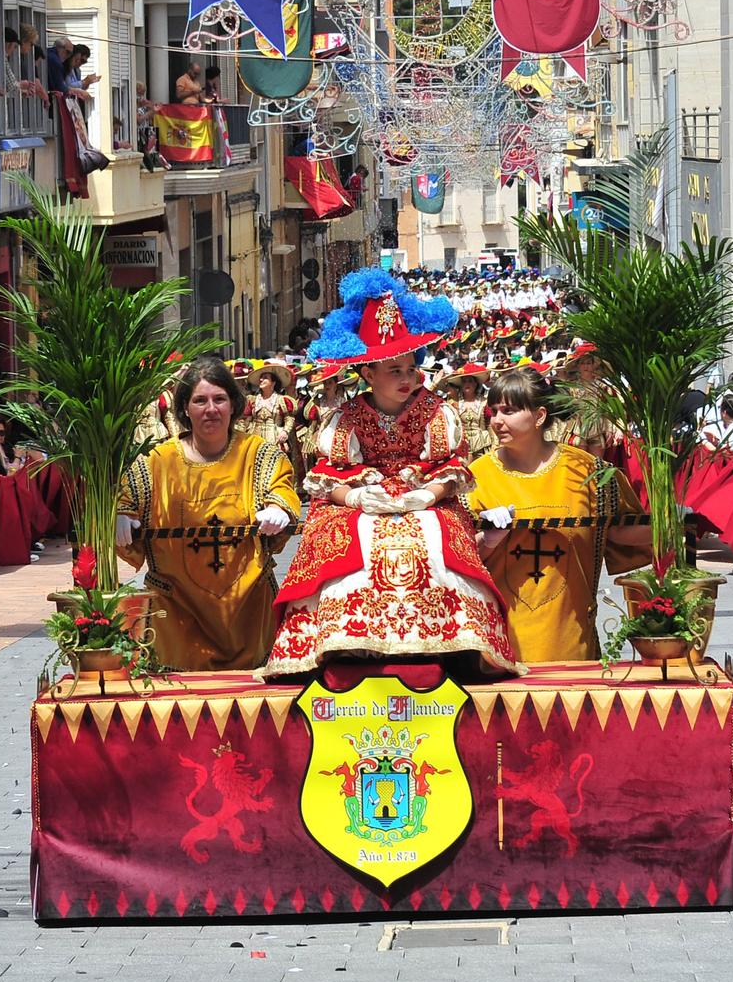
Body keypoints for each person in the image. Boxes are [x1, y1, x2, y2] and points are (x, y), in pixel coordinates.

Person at [259, 269, 520, 679]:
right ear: (368, 375)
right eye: (393, 370)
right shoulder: (346, 417)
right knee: (349, 539)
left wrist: (430, 495)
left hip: (424, 496)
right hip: (360, 498)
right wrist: (356, 498)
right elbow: (328, 476)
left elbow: (451, 465)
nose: (406, 378)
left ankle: (452, 644)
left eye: (410, 368)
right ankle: (342, 647)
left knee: (435, 537)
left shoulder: (436, 410)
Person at [116, 358, 299, 670]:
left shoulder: (259, 453)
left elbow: (280, 486)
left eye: (219, 399)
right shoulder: (157, 462)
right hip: (175, 620)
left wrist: (278, 508)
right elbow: (128, 496)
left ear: (234, 405)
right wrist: (122, 515)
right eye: (200, 400)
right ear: (185, 408)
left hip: (250, 618)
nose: (210, 409)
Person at [463, 368, 649, 662]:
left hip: (570, 639)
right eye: (494, 411)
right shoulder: (472, 478)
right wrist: (488, 539)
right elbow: (459, 560)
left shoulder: (587, 470)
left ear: (539, 416)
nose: (497, 421)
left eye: (509, 411)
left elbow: (617, 532)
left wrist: (673, 526)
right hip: (500, 645)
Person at [242, 364, 298, 456]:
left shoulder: (282, 400)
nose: (261, 380)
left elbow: (289, 419)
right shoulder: (253, 400)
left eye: (265, 378)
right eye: (261, 378)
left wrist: (285, 432)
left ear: (273, 382)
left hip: (275, 440)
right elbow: (246, 420)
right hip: (255, 440)